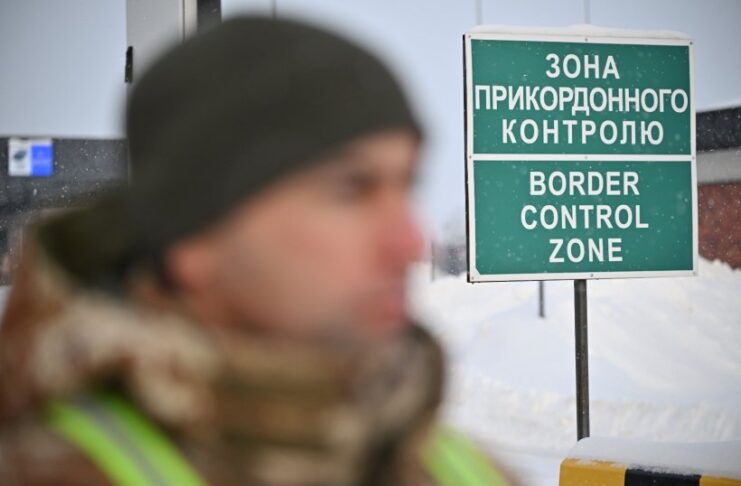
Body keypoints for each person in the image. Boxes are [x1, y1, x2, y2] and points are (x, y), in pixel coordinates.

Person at [0, 16, 513, 486]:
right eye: (351, 189)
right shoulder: (44, 471)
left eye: (407, 185)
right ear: (193, 234)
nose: (410, 243)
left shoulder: (460, 470)